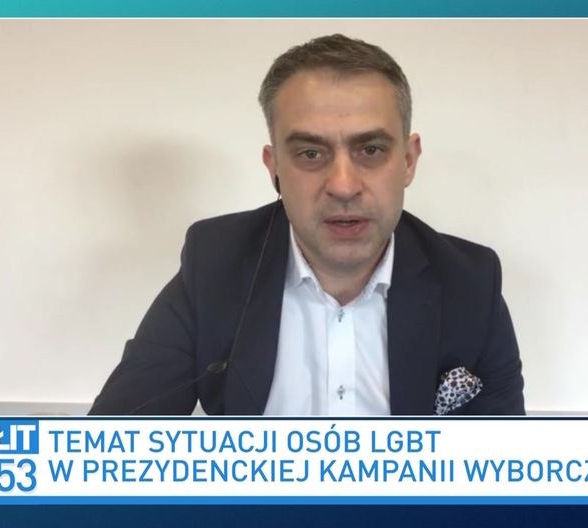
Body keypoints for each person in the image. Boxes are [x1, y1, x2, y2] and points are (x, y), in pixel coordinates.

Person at [90, 34, 525, 416]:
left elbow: (503, 468)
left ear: (408, 161)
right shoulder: (214, 264)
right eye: (311, 154)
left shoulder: (470, 282)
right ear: (274, 167)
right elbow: (110, 447)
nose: (343, 186)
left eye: (371, 150)